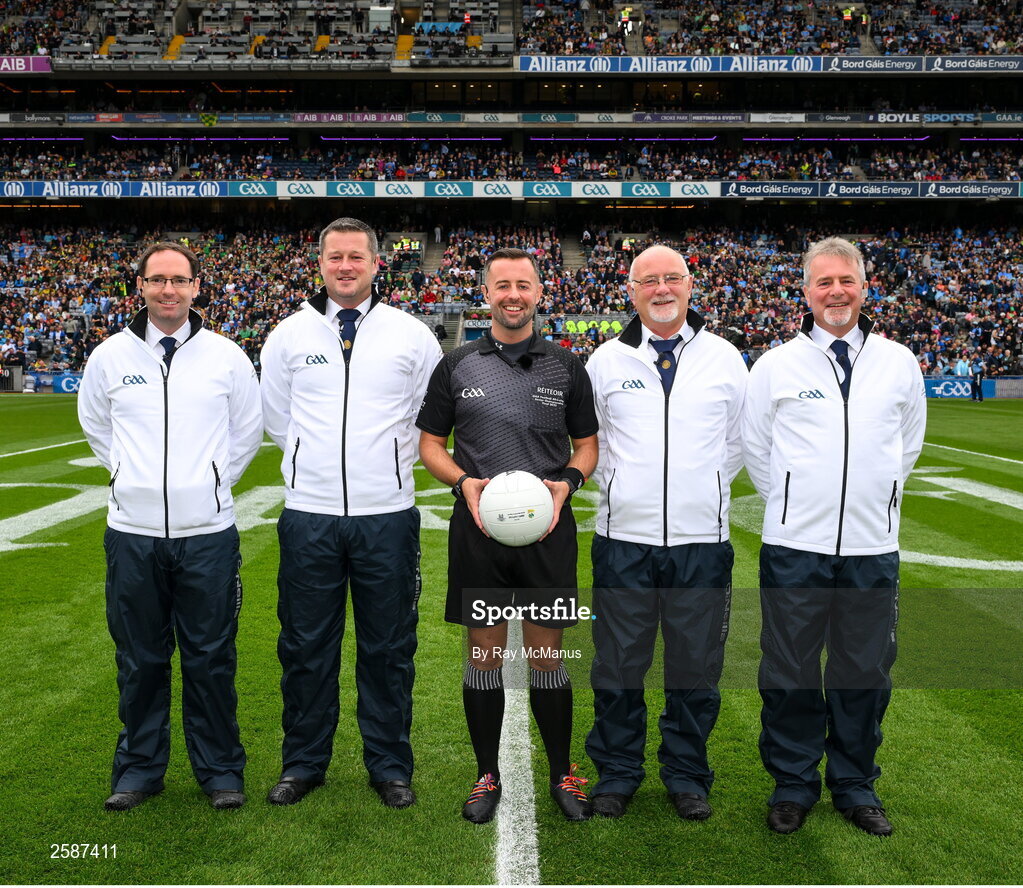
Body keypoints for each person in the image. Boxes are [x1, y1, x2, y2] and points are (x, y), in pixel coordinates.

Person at [742, 237, 926, 837]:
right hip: (795, 546)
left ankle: (854, 784)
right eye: (823, 282)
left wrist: (876, 500)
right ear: (806, 291)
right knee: (790, 668)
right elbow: (757, 451)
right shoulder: (775, 364)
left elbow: (907, 445)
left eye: (845, 280)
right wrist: (799, 506)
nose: (836, 292)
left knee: (864, 669)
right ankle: (793, 783)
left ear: (864, 286)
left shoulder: (899, 362)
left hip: (873, 546)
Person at [259, 217, 442, 810]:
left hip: (386, 514)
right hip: (309, 515)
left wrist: (384, 466)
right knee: (306, 645)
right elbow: (277, 417)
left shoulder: (412, 335)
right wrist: (309, 470)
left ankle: (389, 765)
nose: (345, 266)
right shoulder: (288, 335)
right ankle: (304, 762)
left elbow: (426, 419)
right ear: (320, 263)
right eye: (334, 256)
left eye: (355, 257)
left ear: (375, 262)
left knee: (388, 647)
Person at [78, 241, 263, 812]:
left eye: (179, 280)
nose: (168, 290)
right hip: (131, 533)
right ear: (139, 286)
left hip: (206, 532)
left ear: (196, 287)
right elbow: (96, 427)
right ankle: (138, 770)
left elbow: (246, 432)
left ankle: (220, 772)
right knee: (140, 658)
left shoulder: (226, 356)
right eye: (156, 279)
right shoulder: (109, 356)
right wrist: (130, 482)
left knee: (211, 657)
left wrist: (206, 484)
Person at [416, 247, 599, 824]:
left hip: (548, 532)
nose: (513, 295)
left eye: (524, 285)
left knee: (548, 654)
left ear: (540, 292)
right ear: (487, 293)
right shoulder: (457, 364)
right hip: (478, 532)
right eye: (502, 285)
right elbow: (430, 445)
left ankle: (563, 772)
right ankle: (485, 774)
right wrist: (465, 482)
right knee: (483, 653)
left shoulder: (567, 366)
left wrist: (566, 484)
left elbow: (587, 446)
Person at [583, 244, 748, 821]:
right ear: (630, 290)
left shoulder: (726, 357)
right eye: (648, 280)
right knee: (617, 665)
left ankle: (686, 774)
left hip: (702, 542)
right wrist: (628, 491)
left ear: (689, 284)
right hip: (623, 540)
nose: (661, 289)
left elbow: (735, 444)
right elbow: (591, 445)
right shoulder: (605, 360)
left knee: (695, 666)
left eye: (671, 278)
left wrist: (698, 491)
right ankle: (618, 772)